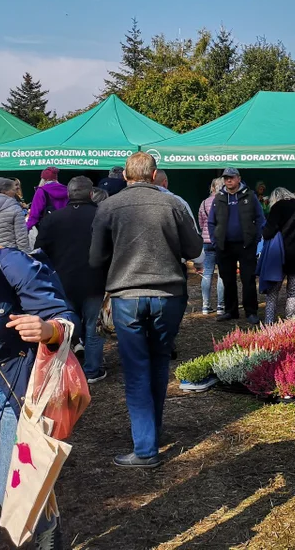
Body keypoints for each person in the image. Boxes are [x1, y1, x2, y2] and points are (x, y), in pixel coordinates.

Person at [89, 152, 202, 468]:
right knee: (158, 361)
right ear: (154, 176)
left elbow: (95, 258)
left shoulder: (108, 207)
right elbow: (195, 249)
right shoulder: (174, 204)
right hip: (169, 294)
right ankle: (153, 434)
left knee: (137, 368)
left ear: (125, 177)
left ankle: (146, 448)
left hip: (127, 295)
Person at [0, 232, 78, 549]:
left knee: (12, 492)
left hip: (17, 387)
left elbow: (65, 317)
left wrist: (47, 329)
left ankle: (47, 525)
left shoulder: (8, 264)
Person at [35, 176, 108, 383]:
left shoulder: (52, 219)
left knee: (66, 328)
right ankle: (92, 370)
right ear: (91, 193)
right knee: (94, 328)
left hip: (63, 282)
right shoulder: (101, 216)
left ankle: (66, 371)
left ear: (68, 194)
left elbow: (40, 252)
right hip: (96, 280)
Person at [207, 167, 265, 324]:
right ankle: (231, 311)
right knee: (228, 280)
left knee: (248, 279)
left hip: (246, 245)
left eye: (231, 177)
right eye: (226, 178)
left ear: (238, 178)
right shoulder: (219, 198)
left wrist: (256, 237)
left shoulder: (250, 196)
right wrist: (214, 240)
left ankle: (251, 312)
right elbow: (211, 221)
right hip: (224, 246)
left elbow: (260, 218)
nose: (228, 180)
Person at [259, 188, 295, 323]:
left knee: (272, 292)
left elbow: (268, 233)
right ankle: (290, 323)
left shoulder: (277, 207)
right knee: (294, 292)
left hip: (280, 256)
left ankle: (269, 323)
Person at [197, 178, 226, 316]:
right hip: (222, 241)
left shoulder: (203, 203)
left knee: (207, 273)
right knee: (222, 274)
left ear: (212, 188)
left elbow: (201, 224)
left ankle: (205, 305)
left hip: (207, 241)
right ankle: (221, 306)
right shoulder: (225, 202)